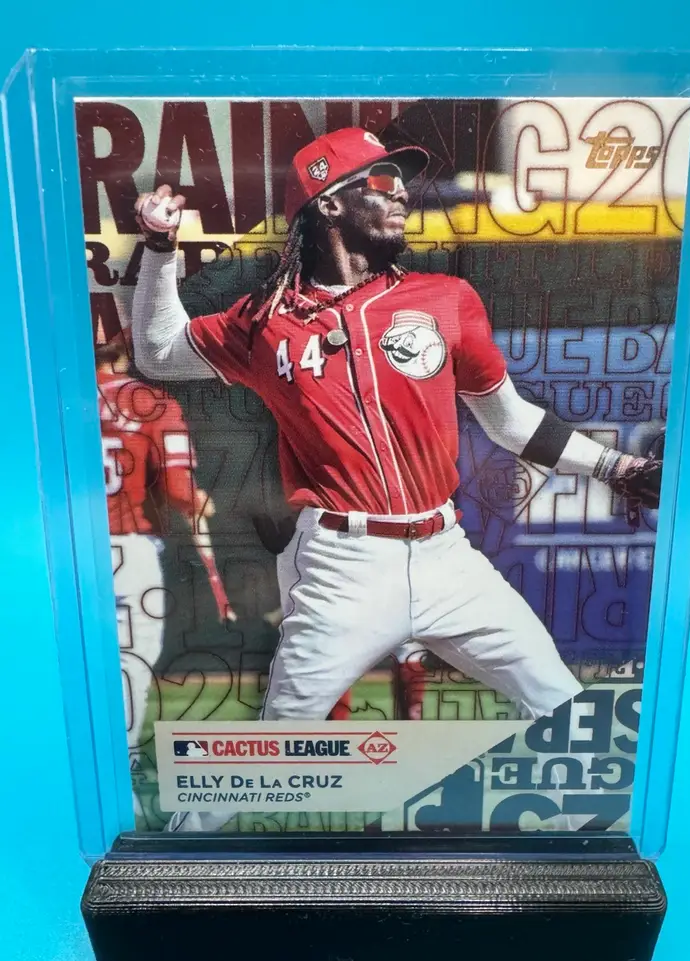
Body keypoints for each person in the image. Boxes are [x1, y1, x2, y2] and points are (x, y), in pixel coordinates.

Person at [130, 126, 661, 732]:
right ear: (329, 203)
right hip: (341, 564)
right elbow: (158, 353)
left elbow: (509, 421)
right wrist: (159, 248)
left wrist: (618, 468)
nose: (401, 192)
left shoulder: (446, 298)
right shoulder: (266, 319)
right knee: (279, 752)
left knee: (565, 710)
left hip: (447, 556)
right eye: (382, 181)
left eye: (402, 182)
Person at [96, 339, 235, 820]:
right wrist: (200, 502)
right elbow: (180, 492)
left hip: (60, 553)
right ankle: (120, 783)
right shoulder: (151, 401)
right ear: (126, 342)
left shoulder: (47, 400)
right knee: (129, 666)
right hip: (128, 550)